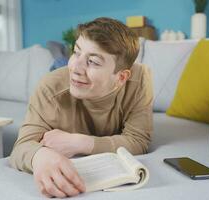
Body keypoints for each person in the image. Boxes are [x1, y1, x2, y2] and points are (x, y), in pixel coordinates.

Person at [9, 17, 153, 198]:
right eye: (76, 52)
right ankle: (61, 56)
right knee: (61, 67)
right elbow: (22, 146)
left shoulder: (139, 81)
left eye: (93, 61)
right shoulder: (49, 88)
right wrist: (40, 156)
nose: (75, 68)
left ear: (121, 77)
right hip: (62, 83)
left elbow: (138, 140)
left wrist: (79, 143)